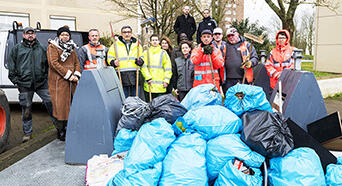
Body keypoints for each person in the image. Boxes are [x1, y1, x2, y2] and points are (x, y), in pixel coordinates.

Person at [8, 27, 55, 143]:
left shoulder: (42, 48)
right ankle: (27, 133)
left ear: (35, 35)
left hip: (41, 83)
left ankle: (59, 127)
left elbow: (48, 65)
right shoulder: (16, 49)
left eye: (32, 33)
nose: (30, 35)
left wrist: (46, 77)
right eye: (27, 33)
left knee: (50, 102)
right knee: (26, 108)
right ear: (23, 35)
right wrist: (16, 80)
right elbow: (11, 66)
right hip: (24, 84)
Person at [47, 26, 81, 141]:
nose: (65, 37)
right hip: (59, 81)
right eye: (62, 35)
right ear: (59, 36)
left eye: (67, 35)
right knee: (60, 107)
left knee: (72, 105)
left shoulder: (72, 48)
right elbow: (53, 63)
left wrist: (76, 74)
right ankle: (60, 130)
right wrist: (68, 75)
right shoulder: (53, 47)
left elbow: (77, 62)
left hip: (72, 82)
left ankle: (70, 128)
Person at [107, 26, 143, 97]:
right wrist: (113, 62)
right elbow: (110, 57)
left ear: (131, 33)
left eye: (129, 32)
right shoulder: (115, 45)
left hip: (135, 74)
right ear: (121, 34)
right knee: (124, 98)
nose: (127, 34)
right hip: (121, 75)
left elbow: (142, 56)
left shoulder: (137, 45)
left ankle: (135, 108)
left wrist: (140, 61)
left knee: (135, 98)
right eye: (124, 32)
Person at [223, 27, 258, 94]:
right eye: (228, 36)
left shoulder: (247, 45)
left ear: (237, 34)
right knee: (229, 100)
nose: (230, 37)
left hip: (243, 79)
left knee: (243, 100)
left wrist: (251, 62)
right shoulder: (224, 46)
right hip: (228, 81)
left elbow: (255, 58)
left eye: (232, 35)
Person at [141, 34, 172, 101]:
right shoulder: (146, 53)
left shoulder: (163, 53)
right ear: (150, 42)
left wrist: (166, 81)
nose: (154, 42)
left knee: (160, 107)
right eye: (153, 40)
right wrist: (148, 78)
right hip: (149, 84)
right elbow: (143, 67)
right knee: (150, 106)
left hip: (161, 86)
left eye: (156, 40)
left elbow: (168, 68)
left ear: (158, 42)